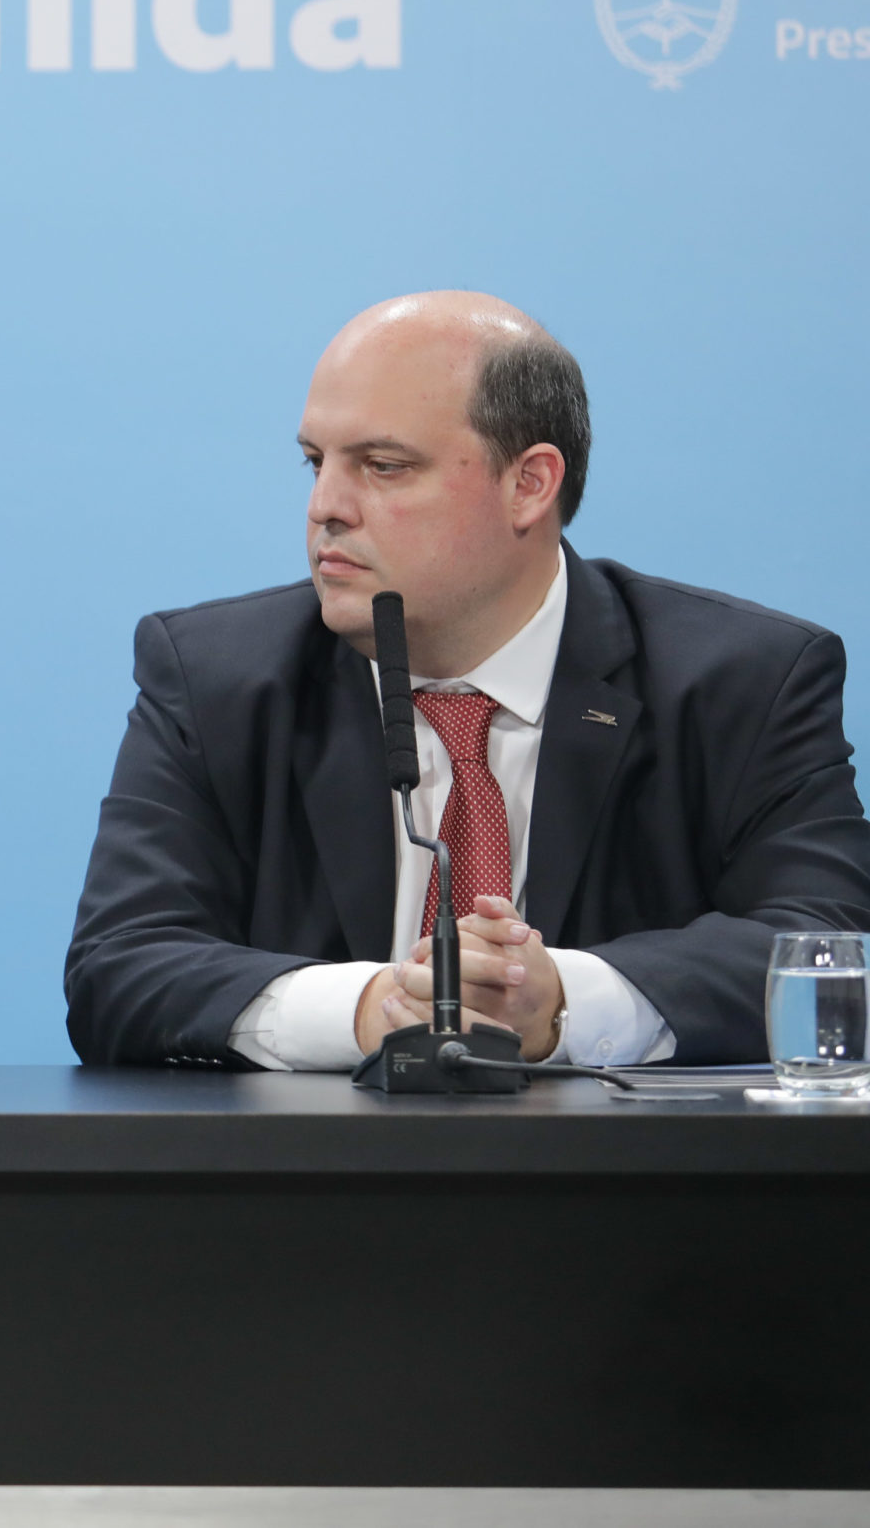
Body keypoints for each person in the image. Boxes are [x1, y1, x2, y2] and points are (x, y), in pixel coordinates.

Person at [67, 291, 870, 1070]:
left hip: (631, 1198)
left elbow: (829, 944)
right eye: (316, 462)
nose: (325, 507)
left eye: (383, 465)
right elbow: (120, 967)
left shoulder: (743, 683)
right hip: (311, 1196)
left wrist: (558, 999)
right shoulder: (217, 679)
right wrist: (371, 1008)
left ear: (529, 484)